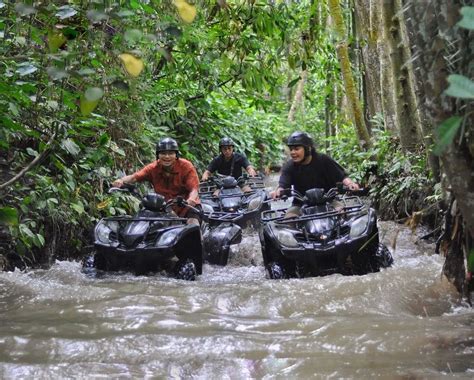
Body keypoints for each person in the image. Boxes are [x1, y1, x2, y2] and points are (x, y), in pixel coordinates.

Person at [112, 137, 201, 225]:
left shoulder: (186, 166)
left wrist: (191, 199)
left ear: (176, 155)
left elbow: (194, 189)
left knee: (192, 226)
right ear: (158, 155)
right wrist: (120, 181)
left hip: (188, 207)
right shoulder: (153, 168)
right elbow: (134, 177)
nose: (167, 157)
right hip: (165, 208)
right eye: (163, 153)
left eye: (170, 153)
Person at [271, 131, 359, 217]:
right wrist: (278, 191)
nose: (293, 152)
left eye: (297, 149)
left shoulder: (323, 160)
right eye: (291, 149)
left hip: (328, 200)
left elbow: (341, 176)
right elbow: (283, 184)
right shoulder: (289, 166)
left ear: (308, 148)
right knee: (289, 219)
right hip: (300, 204)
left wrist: (350, 184)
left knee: (341, 212)